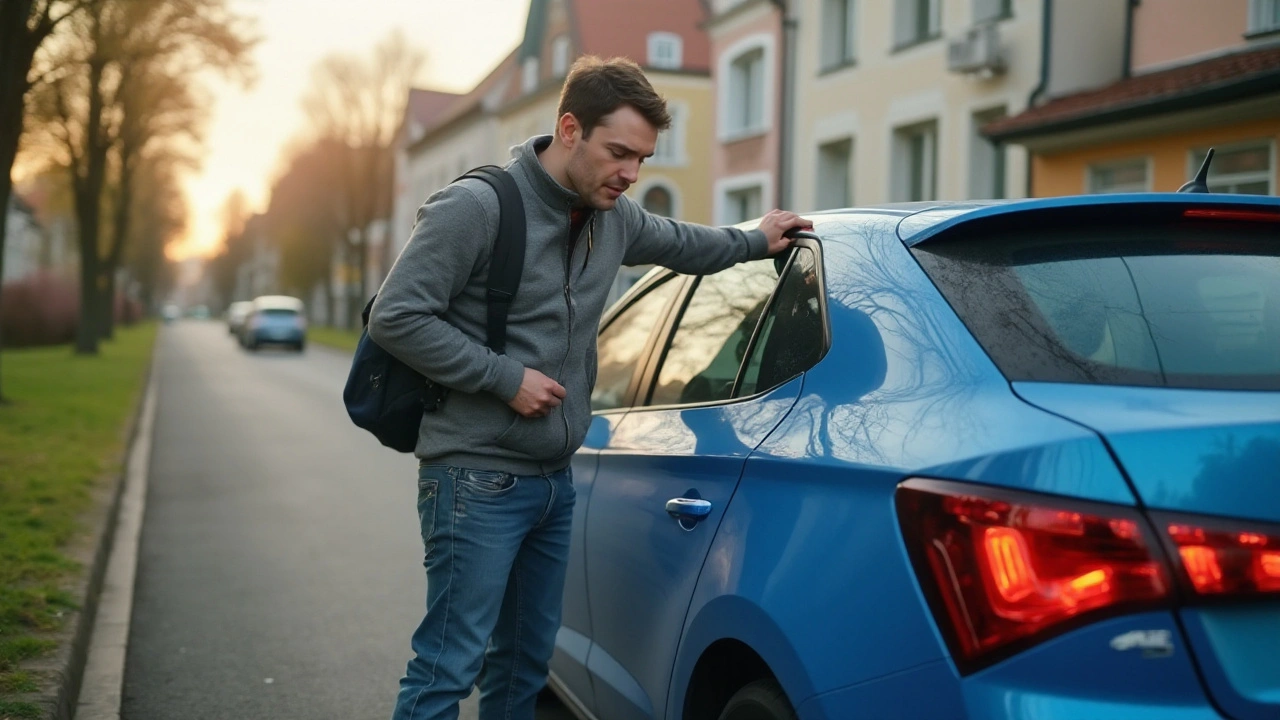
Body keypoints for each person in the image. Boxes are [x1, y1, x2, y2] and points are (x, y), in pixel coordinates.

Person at [368, 55, 812, 720]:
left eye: (642, 159)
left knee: (523, 664)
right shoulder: (478, 206)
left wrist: (757, 238)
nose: (630, 174)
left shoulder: (613, 217)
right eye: (619, 153)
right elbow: (394, 316)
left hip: (553, 481)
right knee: (446, 667)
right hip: (474, 478)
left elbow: (688, 245)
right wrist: (506, 378)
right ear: (570, 129)